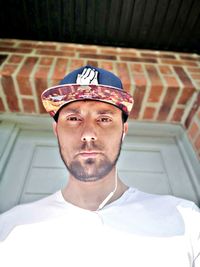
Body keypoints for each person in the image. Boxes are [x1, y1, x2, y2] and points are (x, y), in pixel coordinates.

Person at [0, 65, 199, 267]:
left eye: (104, 118)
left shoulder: (186, 221)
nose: (88, 133)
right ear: (56, 130)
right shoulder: (8, 228)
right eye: (73, 118)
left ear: (123, 131)